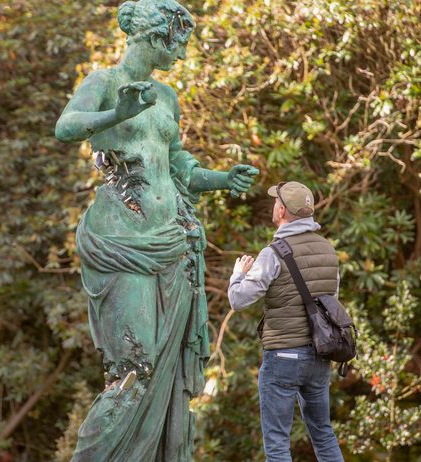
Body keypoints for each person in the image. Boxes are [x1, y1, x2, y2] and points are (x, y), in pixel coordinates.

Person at [55, 1, 258, 460]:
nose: (182, 55)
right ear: (154, 37)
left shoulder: (167, 97)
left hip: (173, 241)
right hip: (121, 242)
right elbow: (66, 127)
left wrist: (221, 179)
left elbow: (179, 163)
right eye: (179, 43)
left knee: (164, 374)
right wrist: (115, 115)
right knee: (135, 364)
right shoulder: (104, 82)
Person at [228, 181, 344, 462]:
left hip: (282, 357)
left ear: (281, 210)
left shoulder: (274, 253)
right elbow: (332, 302)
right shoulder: (328, 251)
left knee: (278, 444)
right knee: (323, 433)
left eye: (275, 202)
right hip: (319, 356)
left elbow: (239, 300)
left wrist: (238, 275)